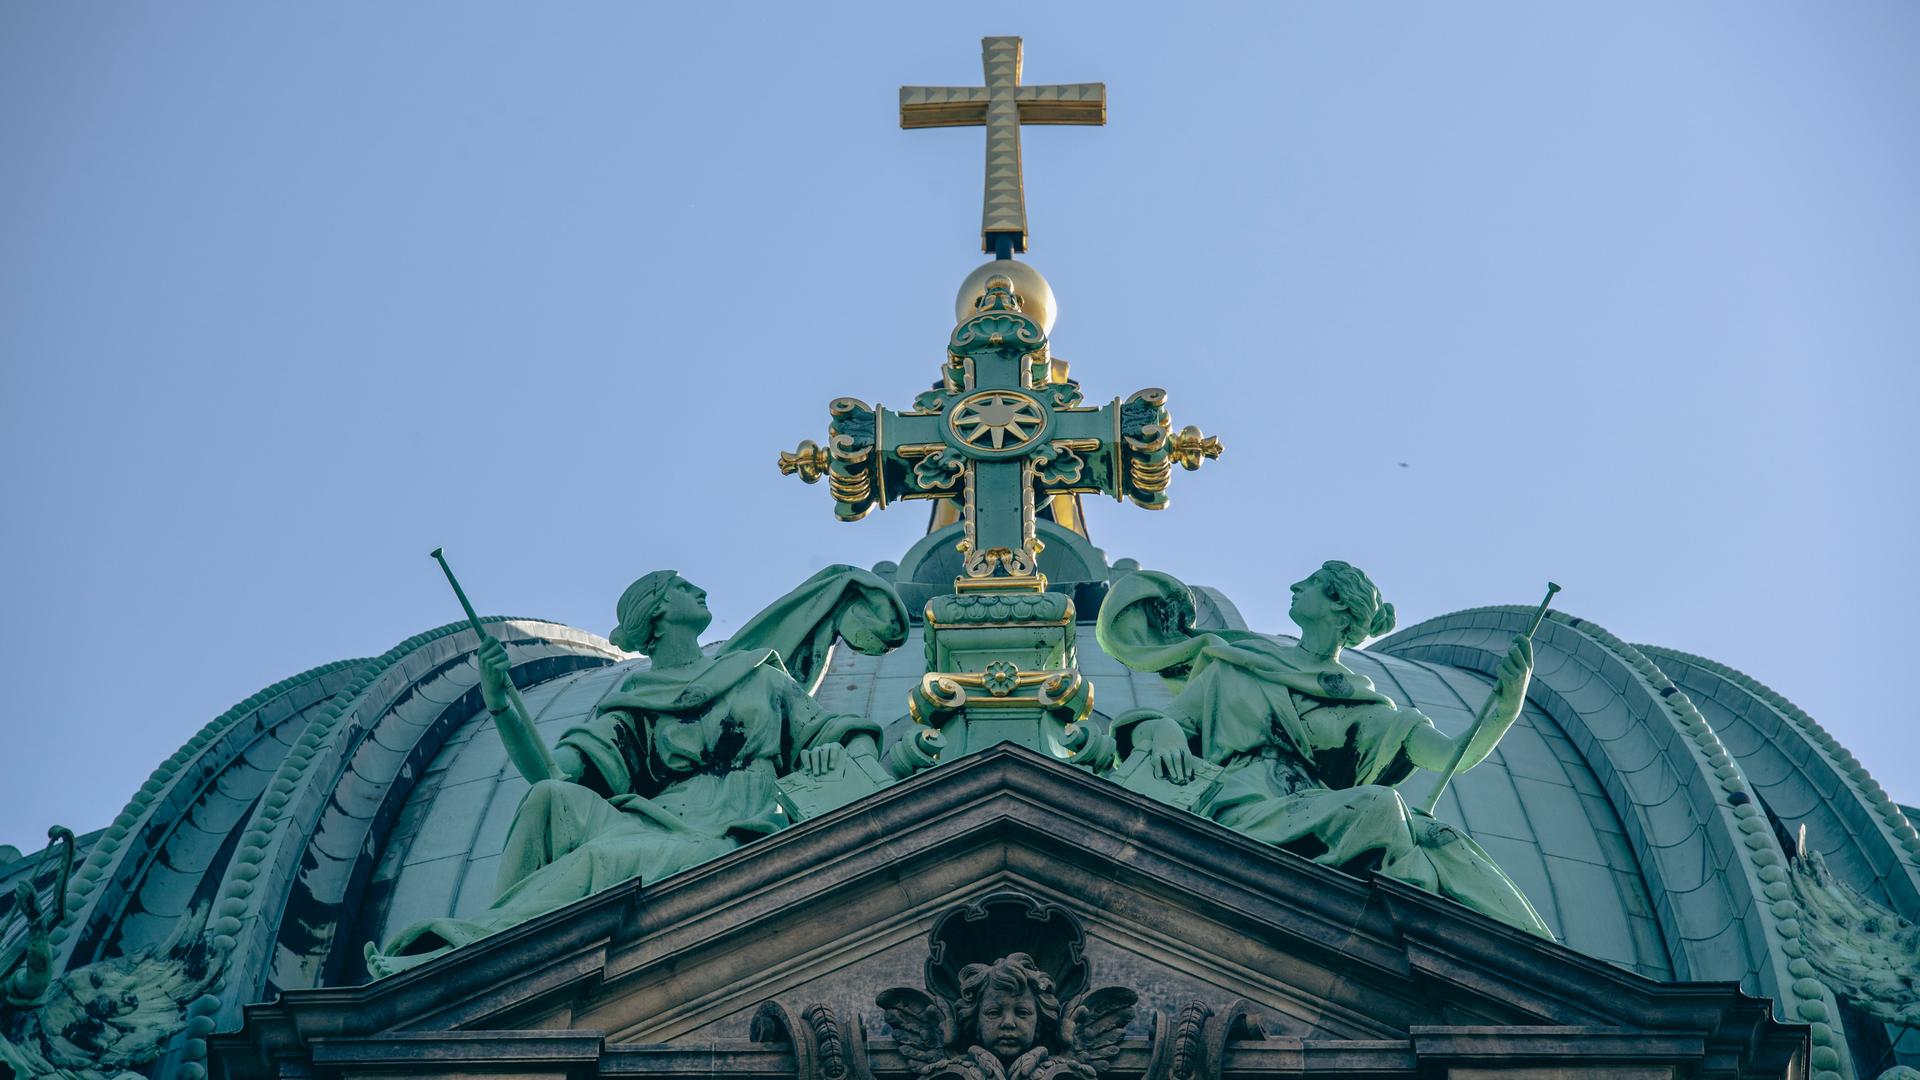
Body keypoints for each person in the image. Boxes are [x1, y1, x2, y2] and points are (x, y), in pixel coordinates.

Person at [366, 565, 907, 977]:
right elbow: (554, 774)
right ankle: (488, 960)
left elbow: (830, 731)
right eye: (679, 585)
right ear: (657, 614)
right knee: (549, 800)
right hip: (664, 821)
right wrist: (501, 702)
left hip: (739, 828)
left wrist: (833, 753)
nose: (697, 589)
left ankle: (474, 951)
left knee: (606, 858)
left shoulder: (757, 677)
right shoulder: (634, 702)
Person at [1093, 561, 1551, 936]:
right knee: (1384, 809)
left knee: (1432, 834)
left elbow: (1454, 756)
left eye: (1310, 582)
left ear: (1336, 605)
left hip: (1306, 807)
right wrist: (1165, 732)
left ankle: (1521, 954)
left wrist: (1504, 710)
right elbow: (1167, 723)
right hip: (1235, 799)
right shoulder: (1236, 665)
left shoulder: (1362, 704)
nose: (1295, 584)